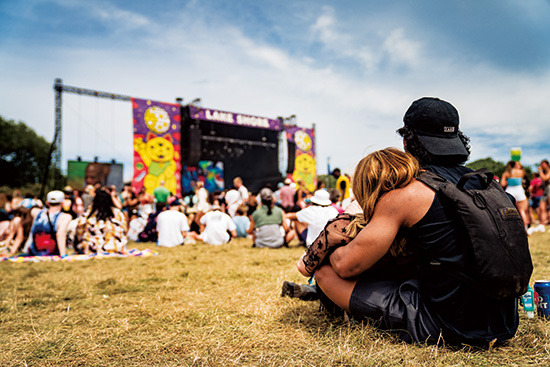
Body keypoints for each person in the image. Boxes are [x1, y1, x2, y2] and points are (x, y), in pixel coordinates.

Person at [293, 97, 521, 346]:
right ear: (457, 139)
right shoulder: (488, 184)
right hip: (504, 322)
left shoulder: (411, 193)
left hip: (447, 327)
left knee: (326, 272)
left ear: (406, 141)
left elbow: (347, 266)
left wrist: (333, 241)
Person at [75, 190, 127, 254]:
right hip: (116, 247)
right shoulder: (118, 214)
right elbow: (124, 230)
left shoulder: (88, 215)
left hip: (93, 248)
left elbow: (79, 231)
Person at [28, 190, 72, 256]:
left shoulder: (35, 212)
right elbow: (60, 234)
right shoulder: (65, 217)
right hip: (51, 253)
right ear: (62, 203)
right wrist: (63, 254)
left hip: (34, 252)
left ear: (47, 203)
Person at [501, 161, 530, 229]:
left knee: (508, 212)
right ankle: (525, 228)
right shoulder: (521, 172)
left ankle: (509, 228)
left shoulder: (506, 173)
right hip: (519, 191)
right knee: (522, 211)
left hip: (509, 192)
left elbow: (502, 184)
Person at [538, 160, 550, 225]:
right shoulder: (543, 172)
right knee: (541, 207)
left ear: (547, 165)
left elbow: (545, 178)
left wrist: (540, 171)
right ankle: (542, 223)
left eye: (543, 164)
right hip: (545, 191)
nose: (541, 166)